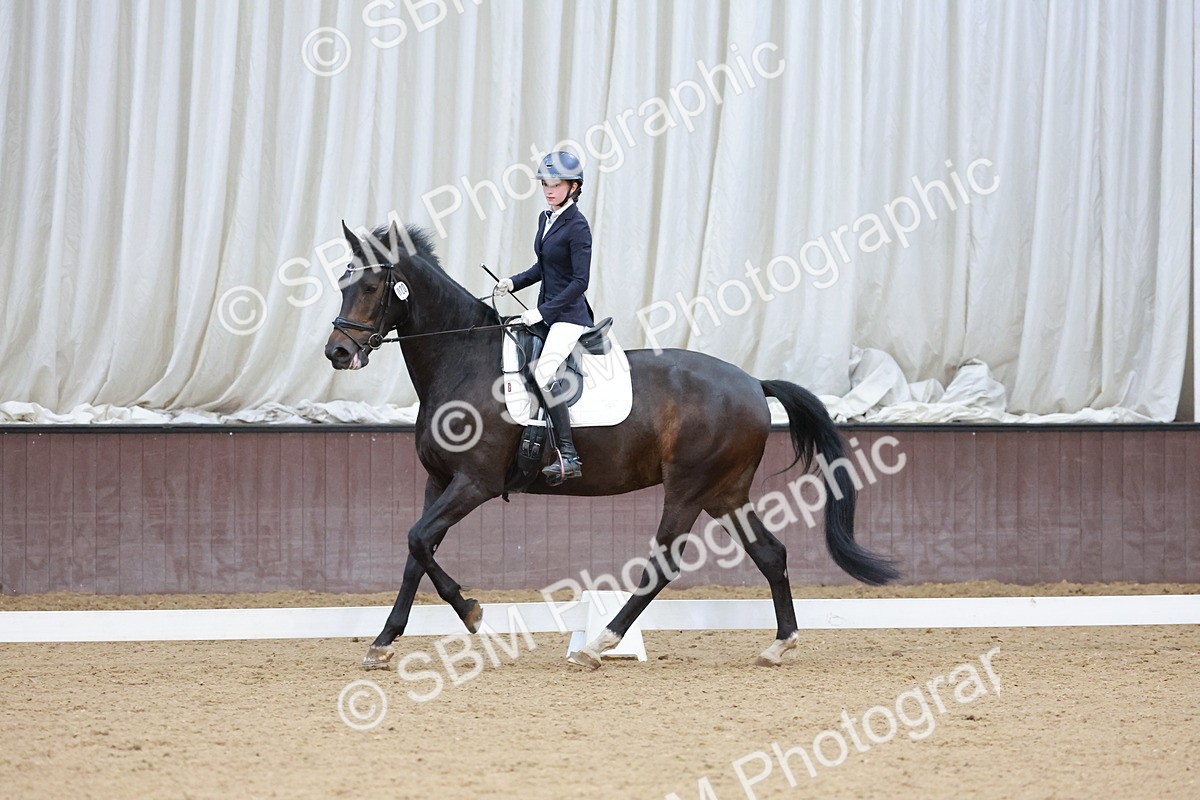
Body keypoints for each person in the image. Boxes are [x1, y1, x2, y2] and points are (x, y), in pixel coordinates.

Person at [496, 151, 593, 482]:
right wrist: (513, 281)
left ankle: (569, 455)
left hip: (569, 315)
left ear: (573, 187)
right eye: (545, 185)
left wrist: (542, 311)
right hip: (546, 311)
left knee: (542, 373)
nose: (549, 191)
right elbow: (543, 267)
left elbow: (580, 281)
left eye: (556, 185)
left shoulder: (578, 226)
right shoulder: (545, 218)